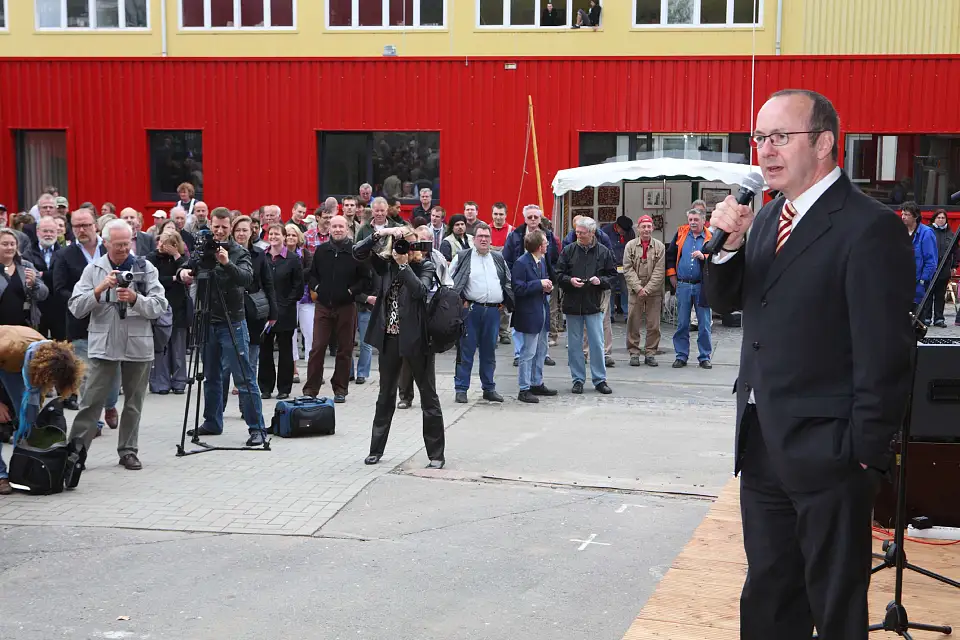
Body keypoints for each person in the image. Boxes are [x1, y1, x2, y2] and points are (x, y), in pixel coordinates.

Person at [704, 89, 914, 640]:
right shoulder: (768, 215)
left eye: (780, 137)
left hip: (832, 454)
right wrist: (726, 246)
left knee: (835, 603)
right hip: (764, 444)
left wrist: (863, 456)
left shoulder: (869, 227)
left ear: (823, 143)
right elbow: (728, 303)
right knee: (769, 593)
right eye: (760, 138)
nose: (765, 150)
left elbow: (885, 354)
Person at [67, 220, 168, 470]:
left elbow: (159, 306)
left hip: (138, 344)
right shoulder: (93, 269)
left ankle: (128, 451)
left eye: (127, 243)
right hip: (104, 343)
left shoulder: (145, 268)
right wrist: (99, 290)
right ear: (106, 243)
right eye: (119, 244)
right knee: (91, 400)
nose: (124, 249)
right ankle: (75, 453)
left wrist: (135, 299)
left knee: (134, 402)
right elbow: (76, 307)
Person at [353, 225, 444, 469]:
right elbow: (357, 252)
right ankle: (376, 450)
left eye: (407, 242)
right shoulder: (385, 266)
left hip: (417, 340)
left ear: (415, 245)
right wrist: (380, 234)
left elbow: (421, 291)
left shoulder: (424, 265)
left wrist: (404, 265)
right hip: (389, 339)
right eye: (399, 242)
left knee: (428, 396)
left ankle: (436, 454)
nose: (402, 246)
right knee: (385, 396)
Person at [177, 207, 267, 446]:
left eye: (224, 227)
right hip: (206, 319)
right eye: (215, 227)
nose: (219, 231)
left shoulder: (238, 251)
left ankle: (257, 428)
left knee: (243, 377)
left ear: (231, 227)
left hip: (232, 320)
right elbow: (187, 266)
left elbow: (246, 279)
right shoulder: (202, 247)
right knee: (211, 376)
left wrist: (226, 263)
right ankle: (212, 422)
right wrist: (183, 272)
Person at [0, 325, 85, 494]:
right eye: (51, 381)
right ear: (44, 370)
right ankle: (1, 475)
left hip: (16, 365)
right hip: (7, 359)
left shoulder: (50, 354)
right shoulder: (9, 347)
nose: (51, 386)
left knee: (28, 419)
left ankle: (22, 466)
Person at [303, 215, 367, 403]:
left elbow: (365, 279)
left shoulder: (356, 252)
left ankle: (340, 389)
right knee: (317, 348)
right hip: (323, 306)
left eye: (341, 226)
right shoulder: (321, 251)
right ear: (329, 228)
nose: (338, 229)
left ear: (347, 229)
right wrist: (317, 289)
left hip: (346, 306)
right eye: (334, 226)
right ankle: (311, 389)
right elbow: (312, 275)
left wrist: (350, 291)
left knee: (345, 349)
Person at [450, 222, 513, 404]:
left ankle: (489, 388)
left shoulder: (498, 258)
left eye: (487, 236)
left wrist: (506, 302)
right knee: (466, 350)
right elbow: (449, 279)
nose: (484, 240)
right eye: (480, 237)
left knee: (489, 352)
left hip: (493, 312)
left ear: (491, 239)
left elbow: (507, 281)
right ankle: (461, 389)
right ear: (474, 239)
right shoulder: (463, 257)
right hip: (470, 310)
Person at [556, 217, 616, 395]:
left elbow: (613, 276)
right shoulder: (568, 250)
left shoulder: (604, 252)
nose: (578, 234)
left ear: (592, 233)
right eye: (577, 231)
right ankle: (577, 379)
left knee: (597, 343)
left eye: (582, 232)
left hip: (593, 302)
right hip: (572, 303)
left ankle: (600, 379)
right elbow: (558, 274)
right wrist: (569, 280)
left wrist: (601, 281)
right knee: (574, 345)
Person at [222, 215, 277, 404]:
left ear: (251, 232)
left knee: (250, 361)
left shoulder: (259, 255)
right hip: (229, 310)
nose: (241, 233)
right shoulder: (223, 253)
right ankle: (218, 408)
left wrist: (273, 312)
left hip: (253, 311)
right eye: (238, 230)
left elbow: (268, 284)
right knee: (225, 365)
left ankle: (247, 407)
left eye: (245, 230)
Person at [257, 223, 303, 401]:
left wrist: (283, 306)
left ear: (284, 237)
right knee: (265, 351)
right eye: (271, 233)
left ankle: (284, 388)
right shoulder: (262, 257)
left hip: (286, 312)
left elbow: (297, 287)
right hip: (264, 312)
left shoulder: (292, 259)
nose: (274, 236)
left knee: (285, 352)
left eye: (278, 234)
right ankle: (265, 387)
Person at [511, 230, 557, 403]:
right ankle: (524, 388)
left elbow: (542, 282)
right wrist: (539, 284)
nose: (547, 245)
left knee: (541, 350)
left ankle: (537, 382)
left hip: (541, 310)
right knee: (528, 352)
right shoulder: (521, 263)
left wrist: (547, 287)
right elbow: (518, 288)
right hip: (529, 313)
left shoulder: (541, 261)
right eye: (545, 243)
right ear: (539, 246)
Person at [666, 208, 714, 369]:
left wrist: (704, 257)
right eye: (691, 219)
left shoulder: (710, 238)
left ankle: (704, 356)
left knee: (704, 324)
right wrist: (672, 275)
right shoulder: (681, 234)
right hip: (683, 285)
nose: (693, 222)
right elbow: (671, 254)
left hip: (702, 286)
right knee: (682, 323)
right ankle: (681, 355)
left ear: (703, 221)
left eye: (696, 220)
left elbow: (718, 258)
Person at [146, 231, 190, 395]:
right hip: (160, 307)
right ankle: (160, 383)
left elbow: (188, 272)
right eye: (161, 242)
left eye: (168, 243)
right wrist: (173, 278)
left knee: (178, 348)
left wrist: (177, 255)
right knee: (161, 348)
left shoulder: (181, 258)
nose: (162, 246)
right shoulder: (152, 258)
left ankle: (179, 382)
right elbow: (153, 280)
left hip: (179, 307)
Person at [623, 215, 665, 367]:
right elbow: (627, 269)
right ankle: (634, 353)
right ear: (638, 228)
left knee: (653, 324)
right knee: (633, 323)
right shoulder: (630, 246)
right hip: (635, 291)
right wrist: (638, 288)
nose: (646, 229)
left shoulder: (660, 247)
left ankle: (650, 353)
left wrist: (647, 289)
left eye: (649, 226)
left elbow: (660, 272)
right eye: (643, 227)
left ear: (653, 228)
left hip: (653, 292)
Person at [0, 229, 48, 328]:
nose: (9, 247)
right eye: (5, 244)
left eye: (12, 244)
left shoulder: (26, 265)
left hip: (25, 326)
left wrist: (34, 284)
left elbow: (44, 294)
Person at [900, 201, 937, 319]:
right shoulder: (900, 231)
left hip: (917, 284)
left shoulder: (926, 233)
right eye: (902, 214)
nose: (903, 217)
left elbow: (931, 261)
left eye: (907, 214)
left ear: (915, 216)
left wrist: (923, 281)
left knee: (916, 319)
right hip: (901, 283)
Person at [927, 209, 958, 327]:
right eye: (938, 217)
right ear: (934, 219)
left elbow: (956, 251)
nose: (941, 220)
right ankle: (927, 318)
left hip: (944, 268)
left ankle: (939, 318)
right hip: (930, 267)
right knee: (928, 294)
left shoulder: (950, 234)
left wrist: (955, 265)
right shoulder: (928, 231)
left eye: (943, 218)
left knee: (940, 295)